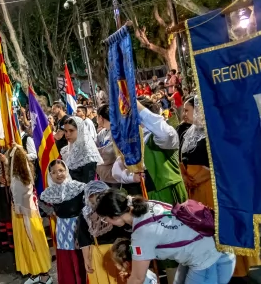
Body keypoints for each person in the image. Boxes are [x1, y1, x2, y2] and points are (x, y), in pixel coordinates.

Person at [179, 97, 259, 279]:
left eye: (187, 110)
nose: (184, 114)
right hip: (194, 190)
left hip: (213, 190)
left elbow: (223, 162)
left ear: (199, 110)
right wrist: (186, 176)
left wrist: (199, 177)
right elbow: (183, 159)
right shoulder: (188, 132)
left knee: (220, 228)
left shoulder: (217, 130)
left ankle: (236, 270)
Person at [96, 189, 236, 284]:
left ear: (114, 215)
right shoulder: (148, 205)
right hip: (217, 247)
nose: (106, 222)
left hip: (207, 259)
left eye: (104, 218)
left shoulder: (142, 234)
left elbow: (137, 278)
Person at [2, 146, 51, 284]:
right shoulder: (22, 174)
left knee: (32, 243)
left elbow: (21, 198)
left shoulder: (20, 179)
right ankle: (34, 272)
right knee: (29, 244)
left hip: (25, 214)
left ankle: (43, 274)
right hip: (25, 213)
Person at [40, 160, 84, 284]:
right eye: (54, 172)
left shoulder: (77, 187)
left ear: (66, 171)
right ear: (50, 175)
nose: (58, 174)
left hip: (78, 227)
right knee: (66, 259)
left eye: (61, 170)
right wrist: (51, 211)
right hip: (62, 229)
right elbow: (40, 202)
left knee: (80, 258)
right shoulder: (50, 192)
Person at [77, 181, 130, 284]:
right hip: (97, 253)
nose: (96, 199)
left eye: (99, 196)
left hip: (118, 251)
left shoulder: (113, 209)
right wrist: (86, 259)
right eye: (92, 197)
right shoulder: (85, 214)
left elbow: (125, 231)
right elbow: (83, 238)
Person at [61, 117, 103, 183]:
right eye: (65, 131)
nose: (67, 134)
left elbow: (88, 183)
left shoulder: (88, 153)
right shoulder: (68, 150)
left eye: (71, 131)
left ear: (80, 130)